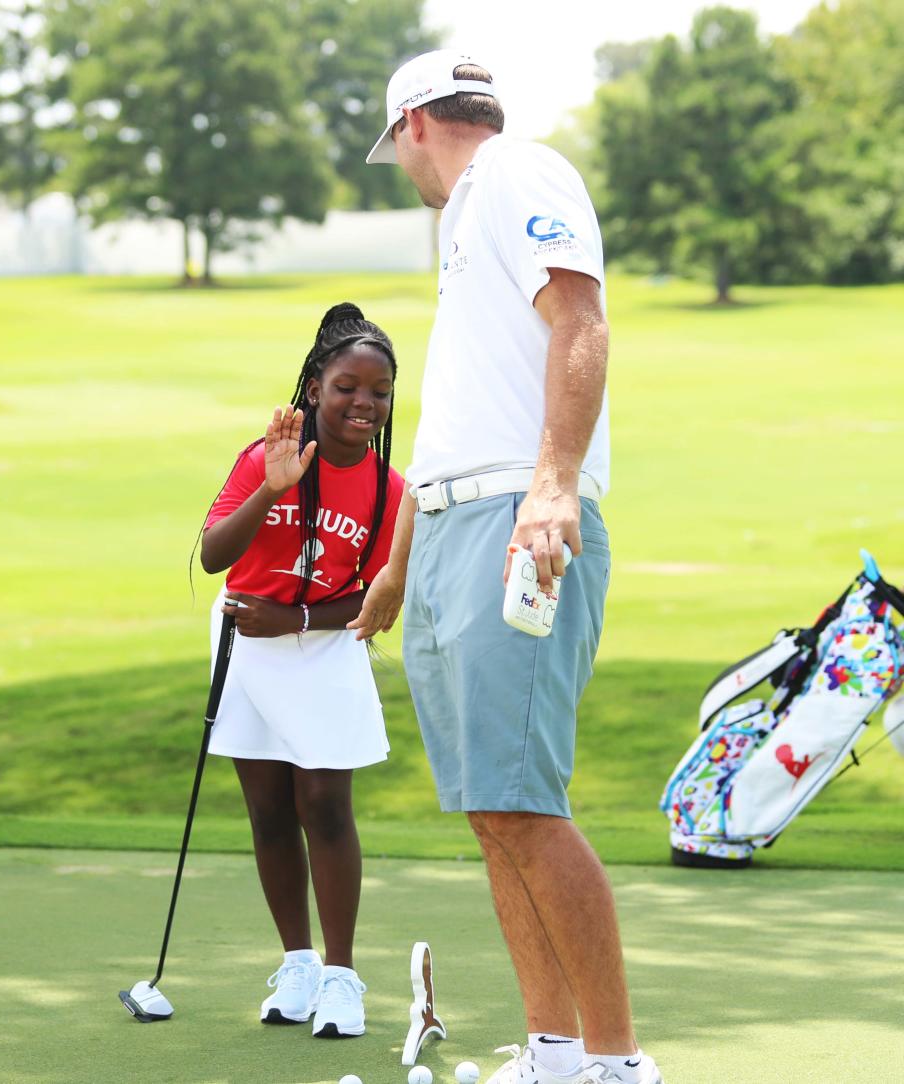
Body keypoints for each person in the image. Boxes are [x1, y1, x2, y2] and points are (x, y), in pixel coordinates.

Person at [350, 51, 664, 1084]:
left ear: (415, 127)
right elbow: (453, 421)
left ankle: (618, 1065)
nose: (405, 166)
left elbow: (580, 321)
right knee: (494, 809)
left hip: (513, 518)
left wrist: (554, 486)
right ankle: (556, 1053)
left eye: (398, 149)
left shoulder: (517, 172)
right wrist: (400, 564)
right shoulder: (467, 222)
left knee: (525, 803)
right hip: (451, 524)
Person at [200, 303, 404, 1039]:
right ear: (315, 388)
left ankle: (343, 976)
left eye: (378, 392)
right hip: (247, 642)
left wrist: (298, 621)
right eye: (348, 386)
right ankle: (299, 962)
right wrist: (271, 490)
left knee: (323, 802)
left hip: (326, 642)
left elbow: (379, 601)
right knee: (267, 811)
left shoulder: (392, 490)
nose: (364, 404)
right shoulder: (263, 457)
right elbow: (214, 556)